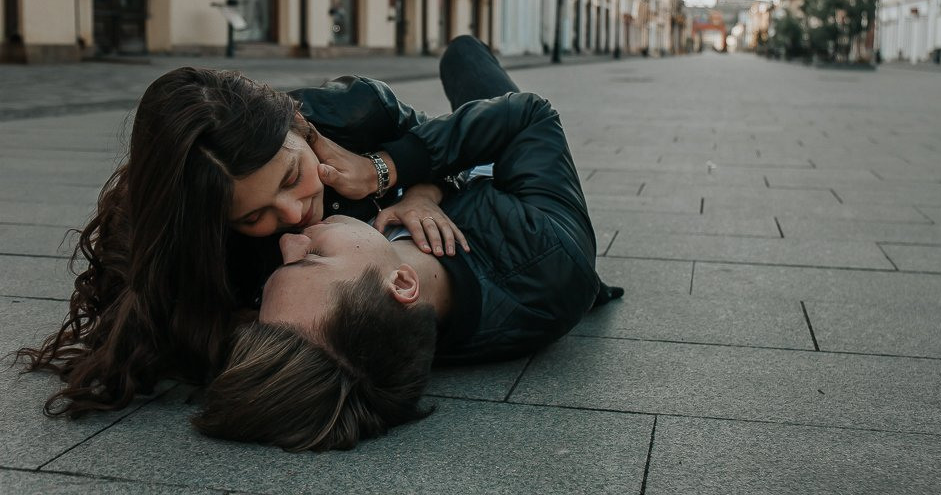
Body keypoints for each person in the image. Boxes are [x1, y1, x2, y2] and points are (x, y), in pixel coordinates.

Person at [192, 38, 622, 451]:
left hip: (439, 157)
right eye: (312, 258)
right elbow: (530, 117)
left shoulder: (350, 330)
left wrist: (420, 189)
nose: (288, 240)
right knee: (465, 56)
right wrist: (392, 169)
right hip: (514, 179)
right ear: (400, 283)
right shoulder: (548, 253)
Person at [19, 60, 468, 417]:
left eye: (292, 175)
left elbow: (455, 150)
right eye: (255, 215)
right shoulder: (203, 253)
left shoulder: (354, 112)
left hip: (493, 141)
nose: (293, 213)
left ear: (298, 129)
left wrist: (423, 193)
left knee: (471, 76)